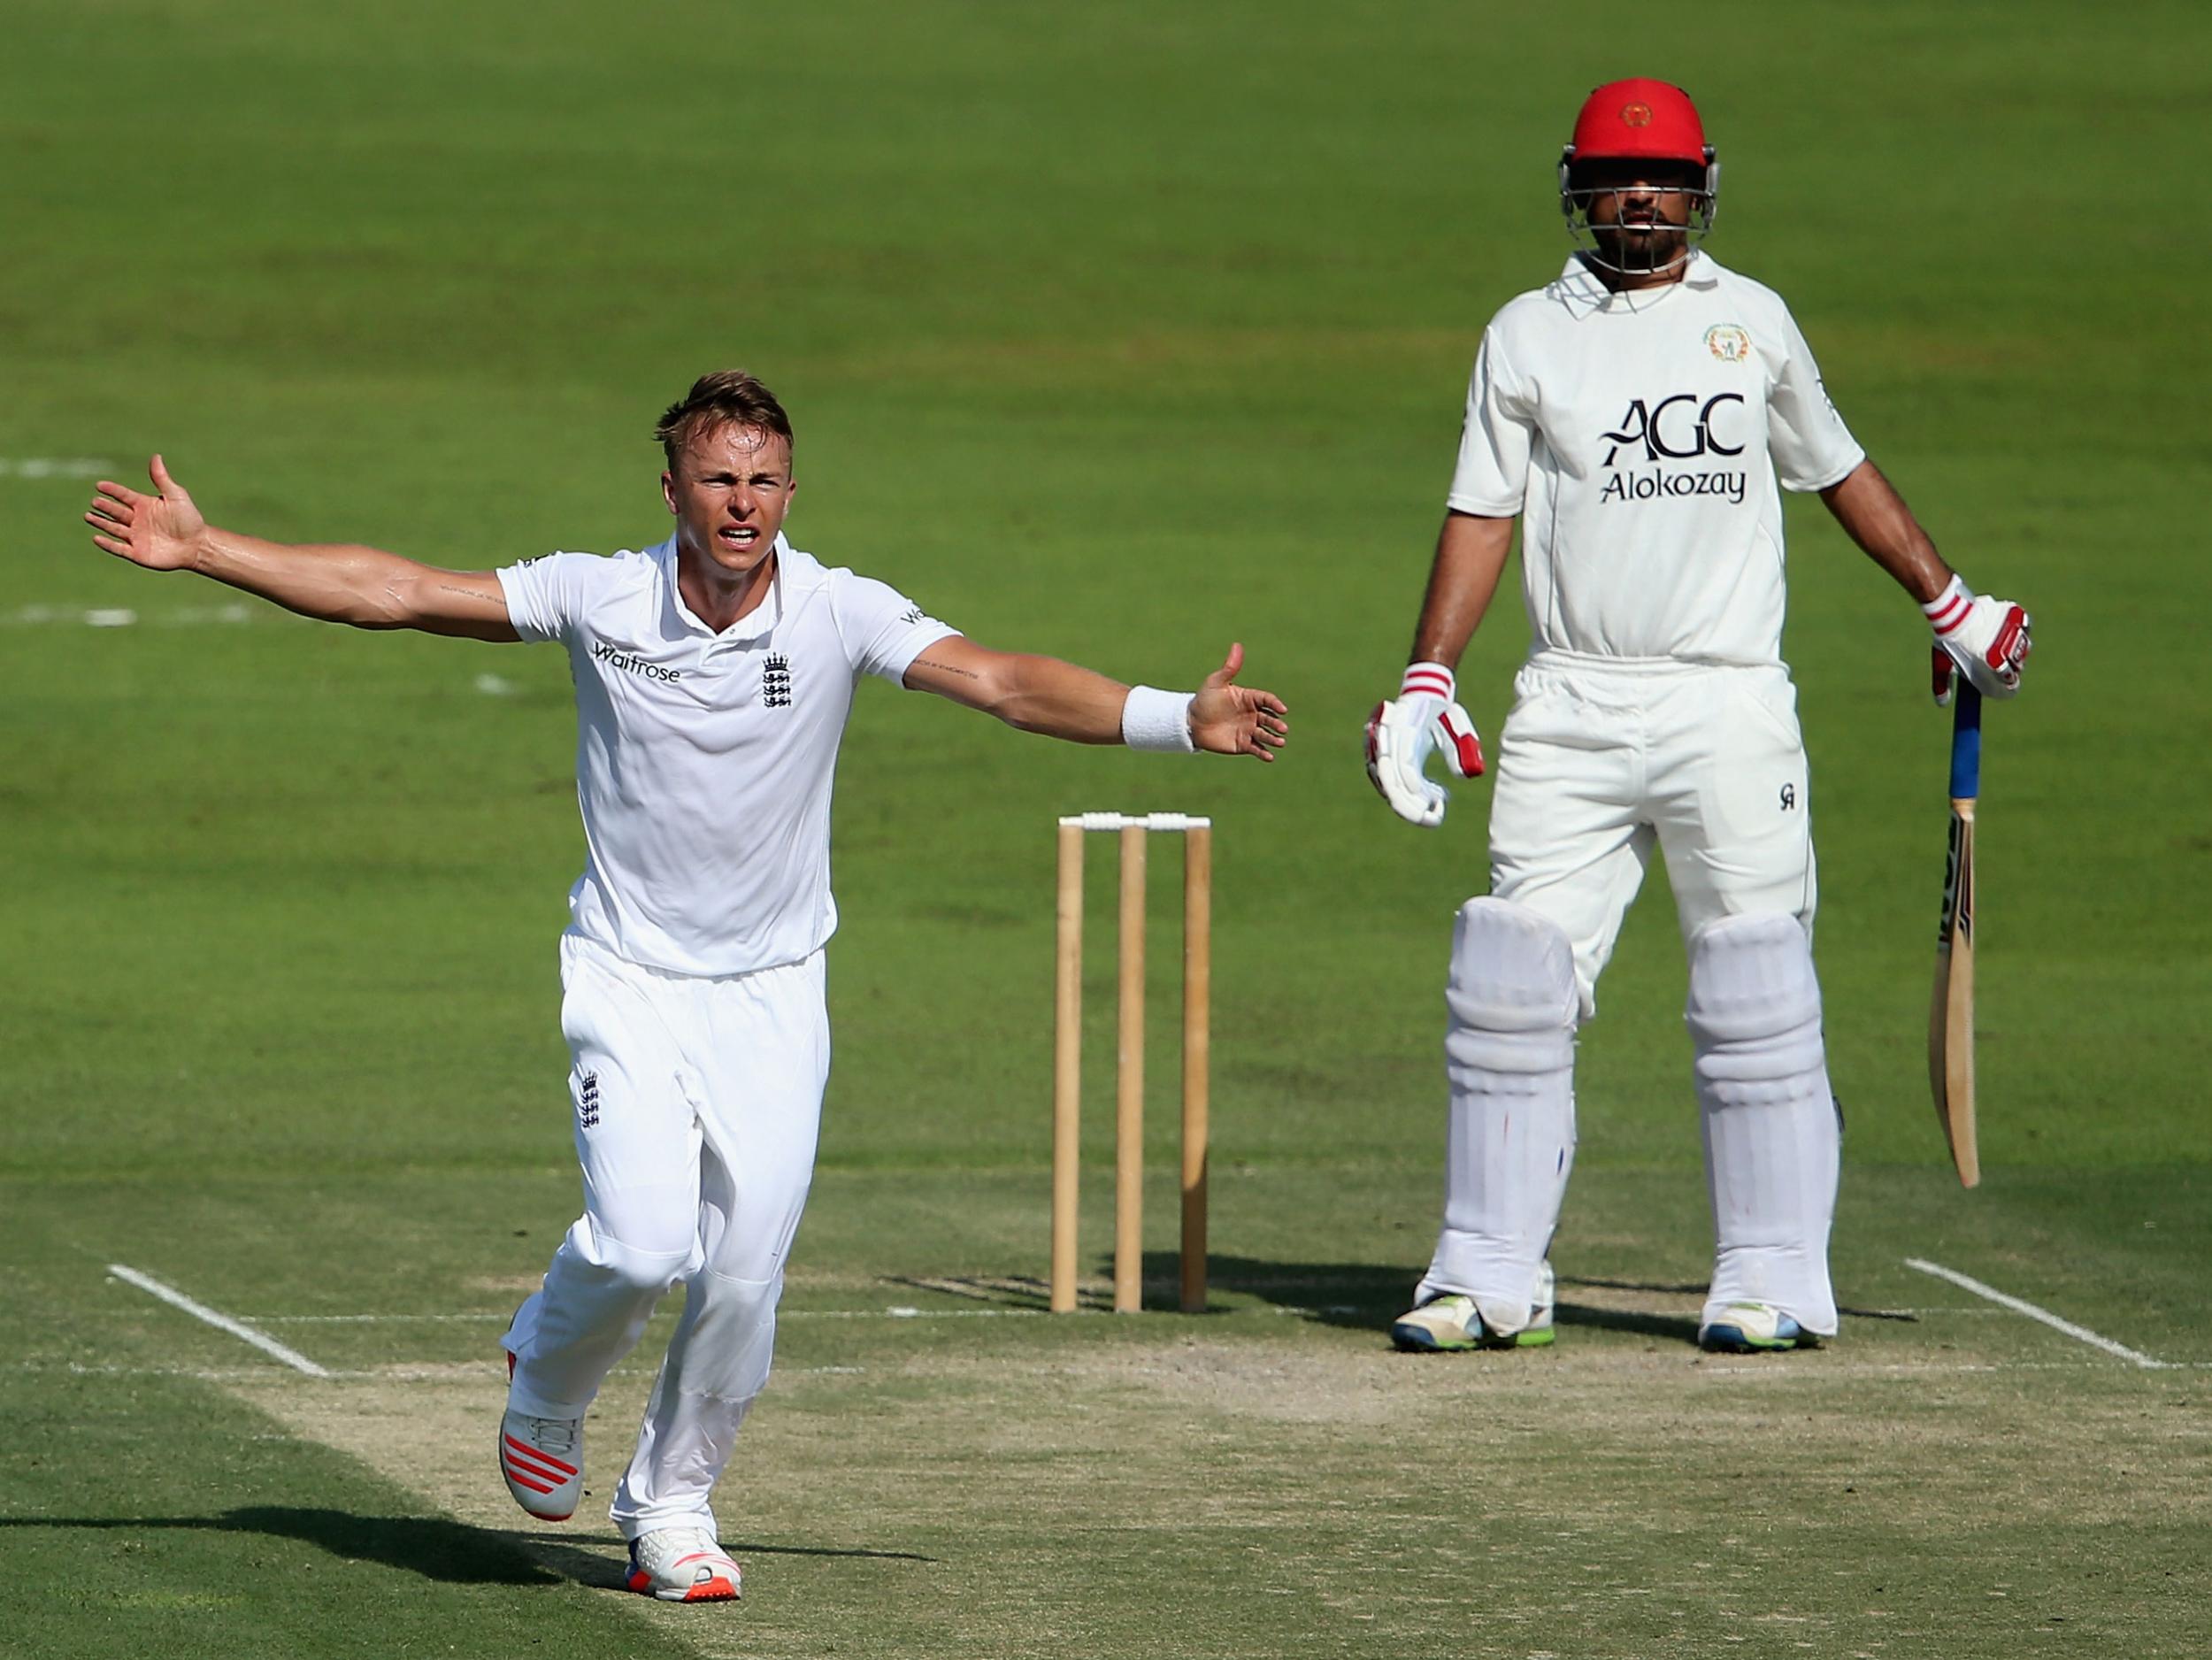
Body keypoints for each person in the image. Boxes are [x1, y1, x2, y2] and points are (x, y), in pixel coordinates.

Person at [86, 370, 1290, 1602]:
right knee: (641, 1244)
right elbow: (396, 593)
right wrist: (208, 548)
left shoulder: (837, 609)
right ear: (671, 488)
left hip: (775, 991)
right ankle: (548, 1377)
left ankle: (673, 1505)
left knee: (745, 1274)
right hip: (628, 977)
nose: (743, 503)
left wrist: (1171, 720)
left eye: (765, 480)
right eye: (719, 478)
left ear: (790, 491)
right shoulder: (601, 595)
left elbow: (1000, 681)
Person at [1363, 81, 2030, 1357]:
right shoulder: (1527, 334)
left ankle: (1774, 1275)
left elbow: (1836, 466)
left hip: (1727, 700)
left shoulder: (1754, 323)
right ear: (1577, 185)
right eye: (1619, 176)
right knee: (1513, 977)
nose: (1641, 198)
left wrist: (1949, 605)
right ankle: (1490, 1272)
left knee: (1756, 977)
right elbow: (1481, 512)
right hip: (1571, 699)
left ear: (1700, 183)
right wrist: (1427, 680)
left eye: (1662, 175)